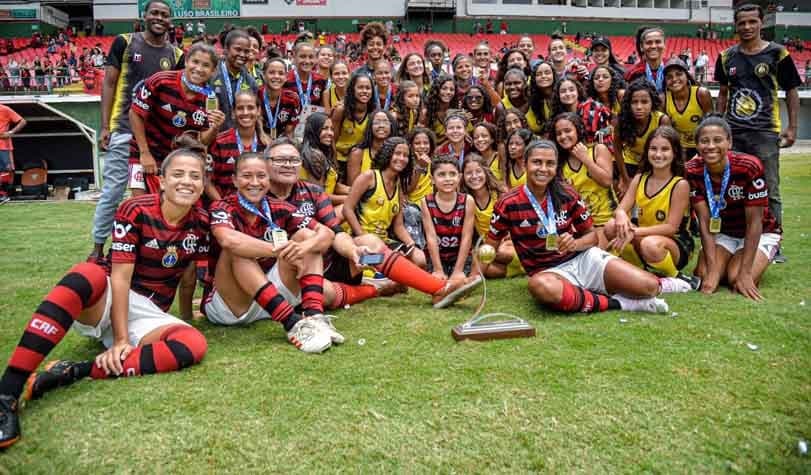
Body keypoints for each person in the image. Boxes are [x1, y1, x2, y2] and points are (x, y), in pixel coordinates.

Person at [0, 144, 212, 448]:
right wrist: (123, 338)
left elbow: (189, 274)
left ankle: (71, 371)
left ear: (203, 184)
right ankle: (7, 394)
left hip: (150, 312)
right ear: (161, 180)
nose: (187, 181)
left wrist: (188, 316)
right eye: (178, 174)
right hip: (112, 296)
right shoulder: (135, 209)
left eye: (195, 176)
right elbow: (121, 277)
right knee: (87, 273)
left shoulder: (201, 222)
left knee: (193, 344)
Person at [484, 139, 685, 316]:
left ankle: (664, 283)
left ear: (556, 167)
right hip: (548, 272)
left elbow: (592, 238)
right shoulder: (508, 203)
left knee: (648, 286)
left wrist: (575, 243)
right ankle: (621, 303)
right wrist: (476, 275)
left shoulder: (567, 194)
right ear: (524, 164)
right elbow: (489, 246)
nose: (543, 169)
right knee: (541, 287)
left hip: (583, 259)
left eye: (550, 163)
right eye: (537, 162)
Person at [204, 150, 340, 353]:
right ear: (234, 180)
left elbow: (327, 233)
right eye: (246, 176)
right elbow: (228, 239)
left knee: (305, 236)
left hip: (269, 296)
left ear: (268, 178)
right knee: (239, 249)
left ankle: (314, 317)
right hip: (232, 306)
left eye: (261, 176)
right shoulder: (222, 206)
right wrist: (280, 251)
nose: (255, 182)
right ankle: (293, 324)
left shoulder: (280, 207)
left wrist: (303, 247)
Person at [88, 0, 186, 259]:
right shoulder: (124, 42)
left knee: (158, 194)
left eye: (164, 15)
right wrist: (105, 126)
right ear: (144, 16)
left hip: (159, 138)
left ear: (170, 21)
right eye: (154, 12)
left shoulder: (176, 55)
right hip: (123, 130)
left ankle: (151, 247)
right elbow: (109, 84)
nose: (159, 18)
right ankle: (98, 247)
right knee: (114, 190)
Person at [715, 2, 801, 263]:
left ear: (761, 23)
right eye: (742, 22)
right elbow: (723, 93)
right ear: (736, 25)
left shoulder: (778, 54)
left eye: (752, 21)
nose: (747, 27)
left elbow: (792, 91)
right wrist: (720, 125)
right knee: (735, 187)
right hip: (735, 132)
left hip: (765, 132)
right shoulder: (727, 56)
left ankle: (774, 243)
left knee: (770, 189)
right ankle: (739, 238)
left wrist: (792, 127)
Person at [687, 116, 780, 300]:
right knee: (704, 274)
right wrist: (713, 270)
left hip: (760, 232)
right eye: (704, 141)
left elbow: (755, 223)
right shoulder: (692, 170)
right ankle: (724, 263)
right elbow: (705, 223)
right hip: (724, 233)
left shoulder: (749, 166)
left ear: (729, 142)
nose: (711, 146)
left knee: (736, 278)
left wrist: (746, 273)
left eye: (718, 140)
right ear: (697, 146)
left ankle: (748, 261)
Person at [604, 126, 699, 289]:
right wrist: (620, 215)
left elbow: (671, 228)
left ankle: (677, 278)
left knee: (650, 245)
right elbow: (621, 209)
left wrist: (633, 232)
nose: (658, 154)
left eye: (665, 149)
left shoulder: (680, 184)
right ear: (647, 151)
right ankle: (641, 270)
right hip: (644, 235)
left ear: (675, 152)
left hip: (674, 243)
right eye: (653, 149)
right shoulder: (639, 178)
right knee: (611, 226)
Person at [128, 43, 226, 196]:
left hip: (175, 158)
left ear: (213, 71)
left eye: (206, 65)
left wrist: (215, 128)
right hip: (145, 150)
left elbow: (202, 141)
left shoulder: (210, 99)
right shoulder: (161, 81)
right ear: (186, 61)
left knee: (170, 204)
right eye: (195, 62)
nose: (199, 69)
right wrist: (145, 153)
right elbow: (135, 114)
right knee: (142, 202)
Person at [551, 113, 614, 248]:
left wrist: (585, 159)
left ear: (578, 130)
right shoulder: (559, 164)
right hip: (580, 226)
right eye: (559, 133)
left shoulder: (598, 149)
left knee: (594, 254)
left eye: (568, 131)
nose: (563, 136)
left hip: (606, 221)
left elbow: (607, 181)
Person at [421, 155, 479, 284]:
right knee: (437, 285)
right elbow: (430, 237)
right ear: (432, 179)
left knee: (459, 283)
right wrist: (438, 269)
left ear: (459, 177)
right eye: (441, 174)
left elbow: (467, 237)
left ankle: (461, 276)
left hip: (460, 257)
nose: (447, 179)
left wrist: (458, 270)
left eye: (452, 174)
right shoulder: (426, 201)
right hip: (437, 258)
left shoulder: (467, 201)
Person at [206, 90, 270, 202]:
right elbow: (207, 181)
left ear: (259, 111)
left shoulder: (267, 145)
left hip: (260, 207)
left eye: (250, 108)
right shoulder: (219, 142)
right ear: (233, 113)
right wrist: (224, 206)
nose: (245, 112)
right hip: (226, 207)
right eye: (240, 108)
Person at [614, 78, 671, 194]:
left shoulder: (662, 120)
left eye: (644, 102)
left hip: (654, 163)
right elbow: (617, 150)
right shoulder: (622, 121)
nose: (639, 107)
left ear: (652, 102)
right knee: (623, 193)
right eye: (634, 102)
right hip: (629, 164)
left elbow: (667, 151)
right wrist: (624, 179)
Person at [663, 58, 713, 160]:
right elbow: (665, 133)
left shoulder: (701, 94)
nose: (674, 79)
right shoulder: (663, 99)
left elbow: (711, 126)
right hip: (677, 149)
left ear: (687, 76)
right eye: (669, 77)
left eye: (679, 74)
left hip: (701, 147)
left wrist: (701, 152)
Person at [210, 28, 259, 132]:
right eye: (238, 49)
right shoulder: (211, 76)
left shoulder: (251, 82)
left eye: (246, 51)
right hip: (214, 138)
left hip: (239, 139)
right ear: (226, 49)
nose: (242, 54)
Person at [258, 57, 301, 140]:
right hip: (258, 141)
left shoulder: (293, 98)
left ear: (286, 77)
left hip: (282, 141)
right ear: (263, 75)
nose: (276, 76)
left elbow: (289, 132)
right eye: (271, 72)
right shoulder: (255, 95)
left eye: (281, 73)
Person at [624, 26, 667, 93]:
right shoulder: (632, 73)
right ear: (641, 47)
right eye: (649, 42)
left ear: (664, 44)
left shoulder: (674, 69)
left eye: (658, 42)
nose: (653, 46)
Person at [0, 104, 26, 204]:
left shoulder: (4, 109)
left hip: (3, 146)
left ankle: (3, 194)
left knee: (6, 170)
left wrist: (11, 132)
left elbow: (22, 121)